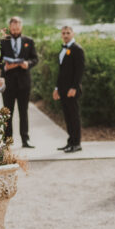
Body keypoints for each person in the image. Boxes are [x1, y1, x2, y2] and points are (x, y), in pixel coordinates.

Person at [0, 16, 38, 148]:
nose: (15, 29)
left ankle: (25, 140)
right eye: (13, 27)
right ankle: (7, 140)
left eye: (18, 27)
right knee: (7, 113)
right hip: (8, 83)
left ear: (21, 27)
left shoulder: (29, 41)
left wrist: (28, 63)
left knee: (23, 112)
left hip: (24, 83)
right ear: (10, 27)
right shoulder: (2, 41)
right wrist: (5, 66)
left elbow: (35, 59)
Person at [52, 25, 85, 153]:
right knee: (67, 116)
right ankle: (70, 142)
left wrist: (74, 87)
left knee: (74, 116)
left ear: (73, 34)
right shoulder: (63, 49)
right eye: (63, 33)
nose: (65, 35)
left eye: (68, 33)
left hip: (72, 90)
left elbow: (79, 71)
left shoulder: (77, 49)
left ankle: (77, 143)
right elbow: (61, 72)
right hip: (62, 89)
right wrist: (56, 88)